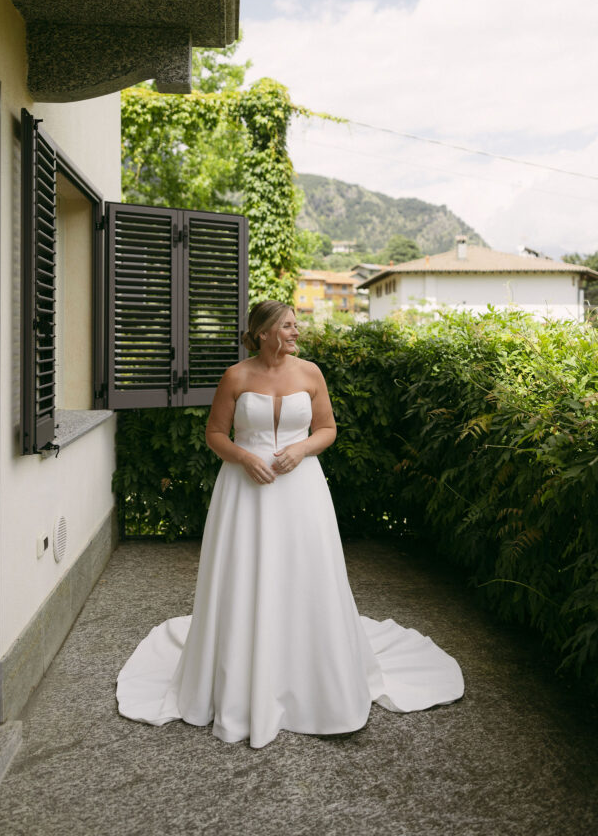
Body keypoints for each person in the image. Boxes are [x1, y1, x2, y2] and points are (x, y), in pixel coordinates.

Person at [116, 300, 464, 747]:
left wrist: (302, 450)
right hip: (245, 492)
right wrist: (243, 457)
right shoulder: (236, 377)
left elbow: (327, 429)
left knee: (306, 572)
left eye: (296, 325)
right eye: (287, 325)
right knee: (246, 574)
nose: (296, 331)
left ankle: (313, 678)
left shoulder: (310, 373)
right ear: (262, 332)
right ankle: (242, 678)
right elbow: (215, 434)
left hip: (302, 489)